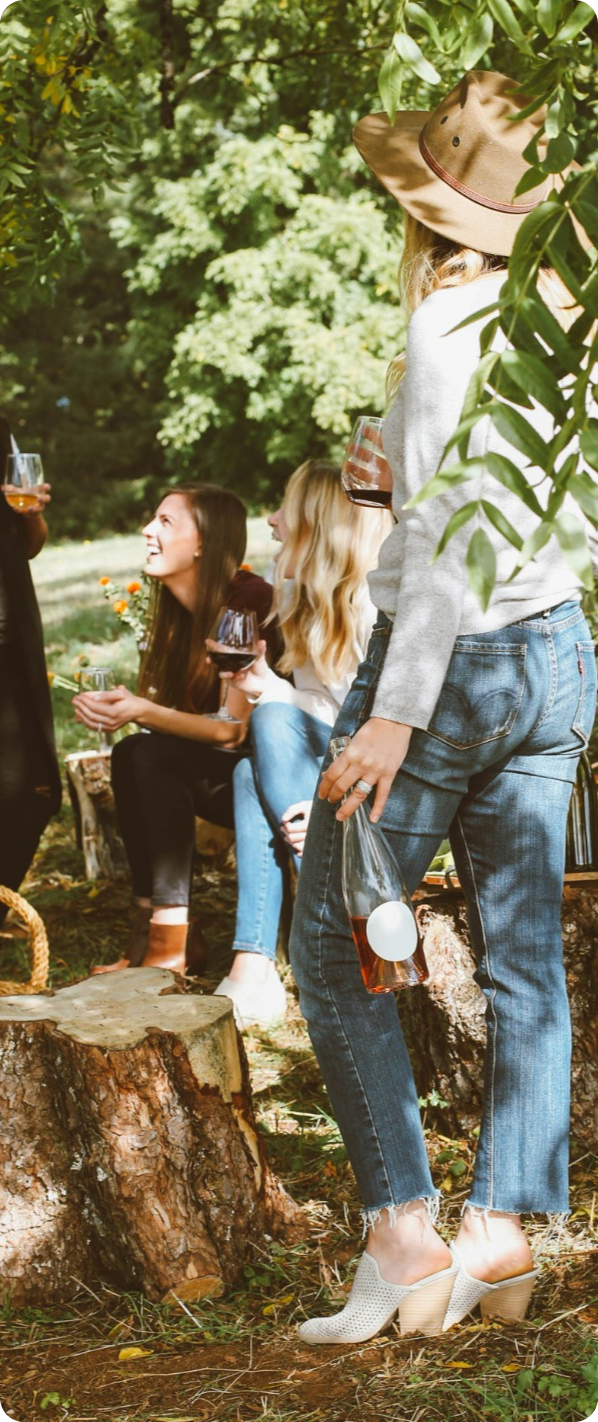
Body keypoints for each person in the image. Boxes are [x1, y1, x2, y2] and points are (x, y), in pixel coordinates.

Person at [287, 70, 597, 1344]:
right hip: (559, 650)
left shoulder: (448, 322)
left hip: (452, 666)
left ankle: (405, 1236)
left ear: (430, 212)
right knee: (523, 957)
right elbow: (501, 514)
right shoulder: (563, 327)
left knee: (325, 933)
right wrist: (388, 494)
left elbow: (459, 550)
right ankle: (505, 1237)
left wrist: (392, 714)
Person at [211, 459, 391, 1028]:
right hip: (339, 763)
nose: (270, 519)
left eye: (284, 508)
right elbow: (326, 715)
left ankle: (310, 931)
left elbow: (385, 730)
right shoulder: (304, 599)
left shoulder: (374, 605)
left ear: (318, 524)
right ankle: (261, 962)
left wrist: (332, 804)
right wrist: (267, 688)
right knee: (251, 763)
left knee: (262, 738)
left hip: (382, 780)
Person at [73, 483, 279, 975]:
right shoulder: (176, 614)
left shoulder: (247, 599)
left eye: (165, 522)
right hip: (232, 772)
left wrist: (140, 710)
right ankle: (153, 932)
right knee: (131, 754)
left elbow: (232, 732)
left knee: (146, 753)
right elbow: (189, 722)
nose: (148, 530)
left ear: (204, 542)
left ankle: (171, 943)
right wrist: (127, 708)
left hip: (271, 781)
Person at [0, 416, 61, 924]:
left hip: (9, 645)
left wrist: (32, 514)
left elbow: (28, 544)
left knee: (33, 792)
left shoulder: (3, 434)